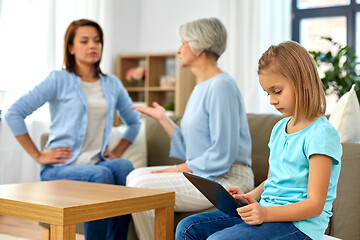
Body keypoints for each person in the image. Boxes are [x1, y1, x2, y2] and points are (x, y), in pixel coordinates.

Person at [175, 40, 343, 240]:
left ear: (302, 82)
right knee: (188, 227)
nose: (272, 100)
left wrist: (266, 213)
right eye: (268, 93)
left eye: (277, 91)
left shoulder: (321, 135)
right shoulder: (280, 128)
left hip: (300, 226)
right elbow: (273, 180)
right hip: (268, 214)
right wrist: (249, 197)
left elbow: (315, 205)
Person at [4, 19, 140, 240]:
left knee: (123, 166)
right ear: (71, 47)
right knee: (102, 174)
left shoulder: (112, 84)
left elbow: (134, 122)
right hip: (61, 168)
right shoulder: (58, 79)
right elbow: (14, 113)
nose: (92, 46)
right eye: (84, 41)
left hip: (95, 162)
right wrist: (38, 155)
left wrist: (117, 151)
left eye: (97, 41)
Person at [126, 17, 254, 240]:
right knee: (134, 175)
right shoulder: (200, 88)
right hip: (206, 173)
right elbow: (193, 149)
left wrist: (178, 168)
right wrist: (163, 119)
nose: (178, 50)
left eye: (183, 42)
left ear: (199, 47)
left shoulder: (221, 85)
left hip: (228, 177)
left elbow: (222, 152)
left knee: (140, 185)